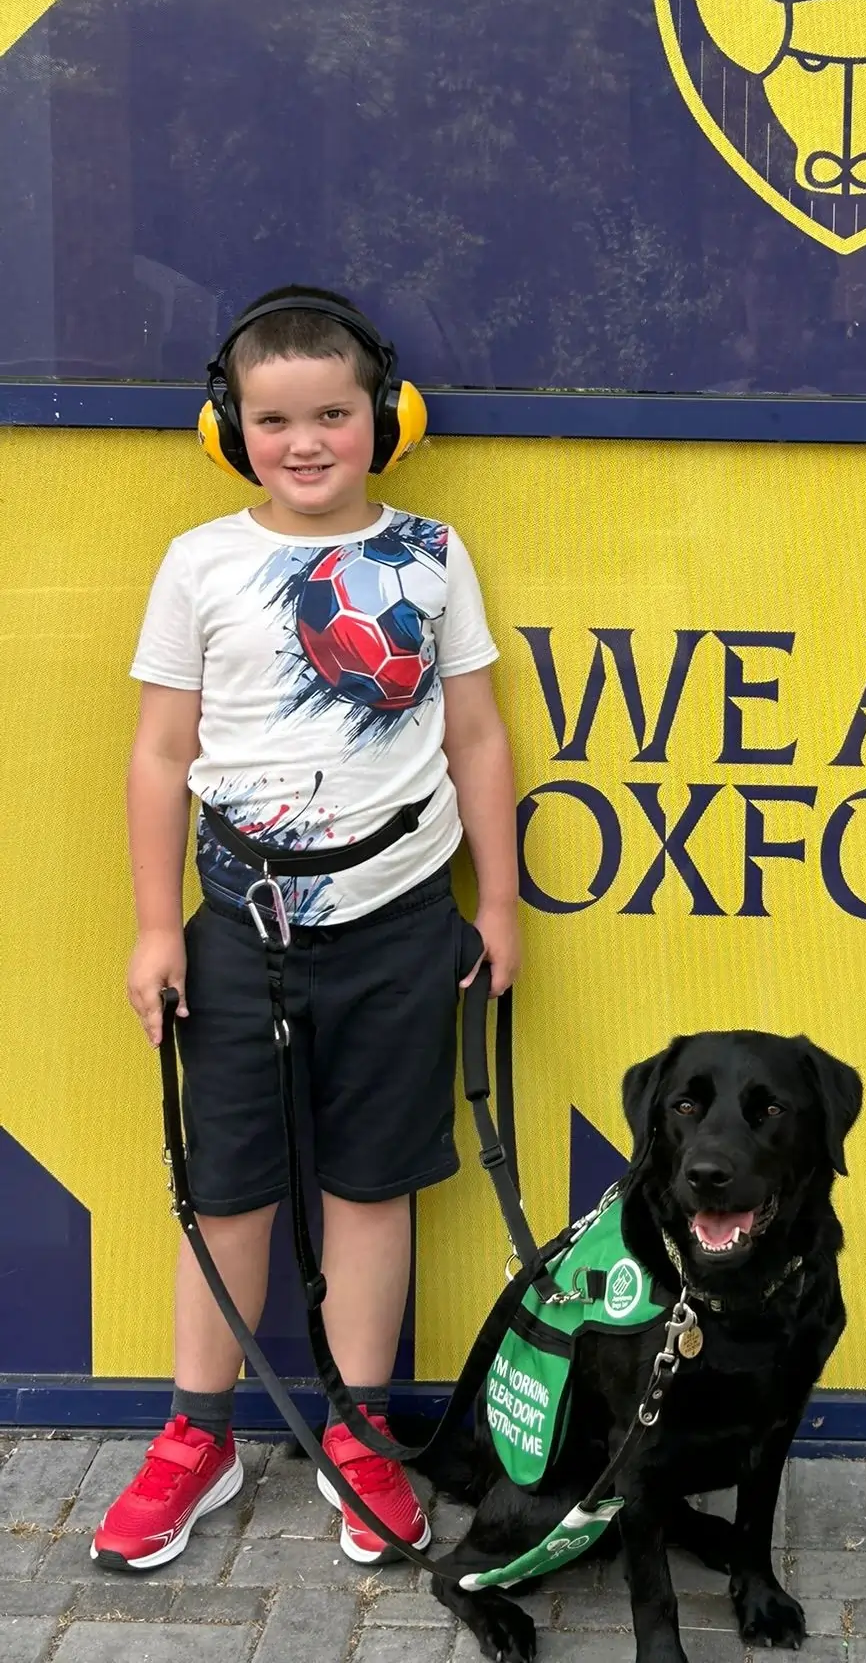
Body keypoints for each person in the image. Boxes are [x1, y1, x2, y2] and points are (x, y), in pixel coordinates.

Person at [92, 291, 520, 1571]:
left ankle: (358, 1427)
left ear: (384, 418)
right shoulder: (199, 562)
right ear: (233, 428)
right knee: (226, 1187)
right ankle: (198, 1433)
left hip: (398, 922)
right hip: (239, 928)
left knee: (368, 1185)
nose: (308, 440)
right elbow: (162, 752)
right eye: (275, 418)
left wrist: (494, 902)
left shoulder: (435, 553)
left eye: (334, 413)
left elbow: (480, 736)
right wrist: (154, 925)